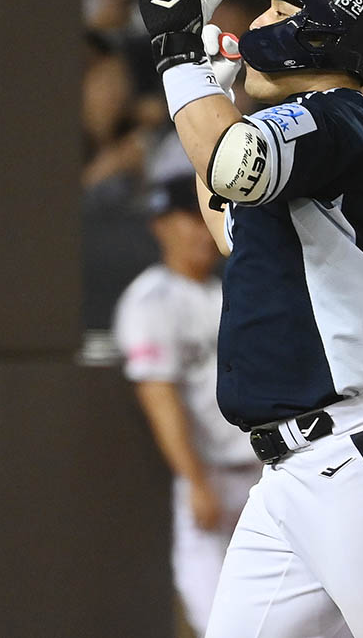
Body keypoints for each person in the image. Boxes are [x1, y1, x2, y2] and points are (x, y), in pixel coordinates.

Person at [135, 0, 363, 637]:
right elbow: (229, 216)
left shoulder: (334, 116)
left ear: (314, 32)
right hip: (299, 471)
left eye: (277, 7)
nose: (260, 18)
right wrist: (214, 88)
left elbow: (233, 166)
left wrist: (178, 57)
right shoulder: (310, 134)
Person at [113, 175, 261, 636]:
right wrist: (195, 481)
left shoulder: (235, 290)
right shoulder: (151, 299)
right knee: (217, 619)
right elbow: (158, 397)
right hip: (211, 475)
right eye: (189, 219)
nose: (201, 230)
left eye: (208, 218)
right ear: (161, 226)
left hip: (265, 472)